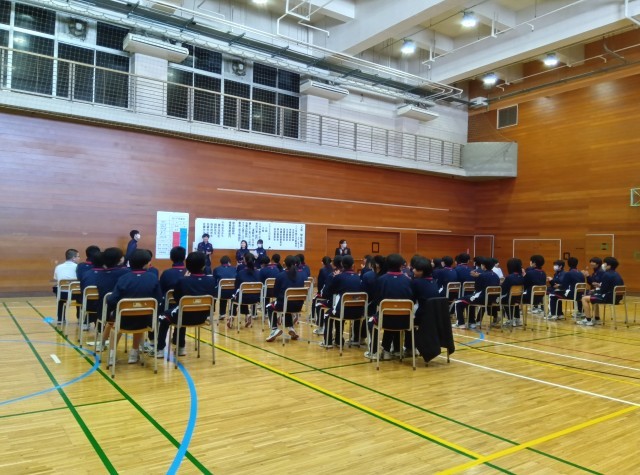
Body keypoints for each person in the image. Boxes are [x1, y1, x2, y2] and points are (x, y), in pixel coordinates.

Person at [154, 251, 216, 358]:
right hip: (203, 317)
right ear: (204, 265)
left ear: (187, 265)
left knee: (166, 316)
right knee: (182, 312)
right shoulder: (211, 280)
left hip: (184, 316)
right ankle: (180, 347)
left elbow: (177, 299)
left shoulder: (182, 281)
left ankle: (160, 349)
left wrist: (186, 279)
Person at [107, 249, 162, 364]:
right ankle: (134, 353)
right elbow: (158, 299)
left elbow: (112, 300)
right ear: (146, 264)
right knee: (139, 316)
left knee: (116, 322)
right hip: (147, 319)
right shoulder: (153, 278)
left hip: (124, 319)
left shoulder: (124, 278)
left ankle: (111, 355)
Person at [365, 253, 413, 360]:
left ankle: (374, 352)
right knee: (394, 316)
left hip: (385, 319)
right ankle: (396, 350)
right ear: (401, 265)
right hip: (405, 320)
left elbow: (378, 301)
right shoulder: (408, 280)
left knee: (372, 321)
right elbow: (412, 300)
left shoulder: (381, 280)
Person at [320, 255, 364, 348]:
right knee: (338, 310)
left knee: (329, 315)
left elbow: (327, 293)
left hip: (343, 312)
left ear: (342, 264)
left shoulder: (339, 277)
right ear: (353, 264)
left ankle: (328, 342)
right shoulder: (358, 277)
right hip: (358, 312)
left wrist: (334, 278)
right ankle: (339, 340)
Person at [265, 255, 306, 342]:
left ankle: (274, 329)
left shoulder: (280, 276)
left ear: (285, 264)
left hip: (284, 305)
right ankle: (291, 328)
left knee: (269, 306)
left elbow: (275, 293)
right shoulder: (301, 276)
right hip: (298, 306)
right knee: (287, 304)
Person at [453, 257, 500, 329]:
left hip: (481, 299)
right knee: (469, 300)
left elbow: (477, 289)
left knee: (458, 301)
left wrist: (477, 277)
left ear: (483, 266)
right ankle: (472, 322)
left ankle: (461, 323)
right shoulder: (496, 276)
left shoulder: (482, 276)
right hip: (491, 300)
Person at [407, 256, 440, 354]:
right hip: (434, 315)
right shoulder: (433, 281)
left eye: (415, 269)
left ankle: (409, 347)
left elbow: (411, 301)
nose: (413, 270)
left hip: (423, 316)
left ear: (422, 271)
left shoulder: (416, 282)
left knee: (405, 319)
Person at [578, 257, 624, 326]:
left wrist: (595, 291)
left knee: (584, 298)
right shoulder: (617, 274)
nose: (603, 265)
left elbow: (603, 290)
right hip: (617, 298)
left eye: (605, 263)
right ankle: (596, 318)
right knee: (593, 296)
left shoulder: (606, 274)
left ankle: (588, 320)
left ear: (609, 266)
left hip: (609, 298)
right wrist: (598, 288)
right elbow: (608, 287)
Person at [228, 253, 261, 328]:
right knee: (243, 295)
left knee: (236, 297)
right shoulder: (259, 273)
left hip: (243, 298)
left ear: (245, 262)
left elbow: (236, 287)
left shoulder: (240, 273)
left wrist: (234, 295)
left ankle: (232, 316)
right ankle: (247, 314)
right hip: (256, 299)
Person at [53, 248, 80, 324]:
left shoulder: (58, 267)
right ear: (73, 258)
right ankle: (80, 317)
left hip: (62, 294)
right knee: (81, 297)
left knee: (60, 297)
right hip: (75, 294)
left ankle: (60, 318)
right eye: (78, 256)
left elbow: (56, 278)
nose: (79, 258)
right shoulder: (78, 267)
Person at [500, 258, 524, 326]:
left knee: (502, 299)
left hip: (509, 299)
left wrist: (501, 284)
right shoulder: (521, 276)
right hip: (519, 298)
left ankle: (510, 319)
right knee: (514, 301)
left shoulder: (509, 277)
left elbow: (503, 289)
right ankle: (517, 319)